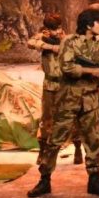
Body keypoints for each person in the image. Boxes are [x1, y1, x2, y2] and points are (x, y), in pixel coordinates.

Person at [27, 8, 99, 198]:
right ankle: (44, 179)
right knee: (55, 139)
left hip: (90, 100)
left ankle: (94, 178)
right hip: (68, 99)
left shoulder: (98, 45)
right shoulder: (69, 41)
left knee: (94, 140)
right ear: (89, 25)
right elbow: (67, 68)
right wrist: (90, 71)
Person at [26, 13, 74, 167]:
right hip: (50, 84)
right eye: (53, 29)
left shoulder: (65, 38)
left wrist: (60, 43)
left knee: (70, 116)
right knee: (47, 118)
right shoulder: (43, 37)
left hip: (65, 84)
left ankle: (77, 147)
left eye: (57, 28)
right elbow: (30, 43)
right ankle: (43, 151)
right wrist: (50, 46)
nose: (56, 32)